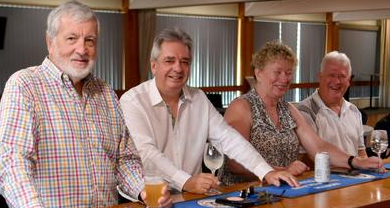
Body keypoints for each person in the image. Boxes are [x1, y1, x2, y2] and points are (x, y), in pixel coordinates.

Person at [0, 0, 171, 208]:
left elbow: (124, 159)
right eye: (72, 38)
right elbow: (10, 161)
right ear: (50, 42)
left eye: (89, 40)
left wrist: (144, 191)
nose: (82, 49)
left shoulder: (105, 93)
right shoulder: (25, 85)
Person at [120, 28, 299, 194]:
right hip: (148, 199)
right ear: (154, 66)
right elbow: (147, 153)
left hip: (190, 197)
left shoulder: (198, 99)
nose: (178, 68)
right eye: (169, 60)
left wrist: (266, 171)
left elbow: (228, 138)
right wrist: (186, 181)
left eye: (185, 62)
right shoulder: (132, 101)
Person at [219, 41, 383, 185]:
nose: (284, 79)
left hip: (280, 191)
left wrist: (355, 161)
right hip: (243, 195)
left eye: (289, 73)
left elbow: (319, 147)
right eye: (278, 72)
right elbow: (234, 161)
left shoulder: (288, 109)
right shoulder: (241, 106)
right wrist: (279, 170)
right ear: (258, 72)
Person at [297, 51, 367, 158]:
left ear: (349, 81)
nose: (337, 81)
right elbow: (306, 158)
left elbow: (361, 152)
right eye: (332, 75)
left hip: (355, 172)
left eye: (342, 76)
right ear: (320, 77)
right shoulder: (305, 111)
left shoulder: (354, 110)